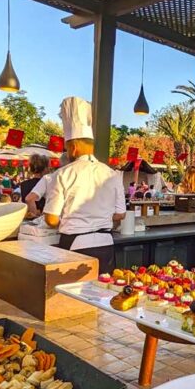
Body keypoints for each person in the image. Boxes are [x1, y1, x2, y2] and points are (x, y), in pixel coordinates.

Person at [44, 96, 126, 270]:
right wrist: (98, 217)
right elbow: (120, 214)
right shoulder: (112, 174)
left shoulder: (63, 174)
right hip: (106, 244)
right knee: (104, 292)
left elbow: (51, 219)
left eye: (66, 147)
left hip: (74, 245)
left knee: (73, 294)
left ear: (73, 147)